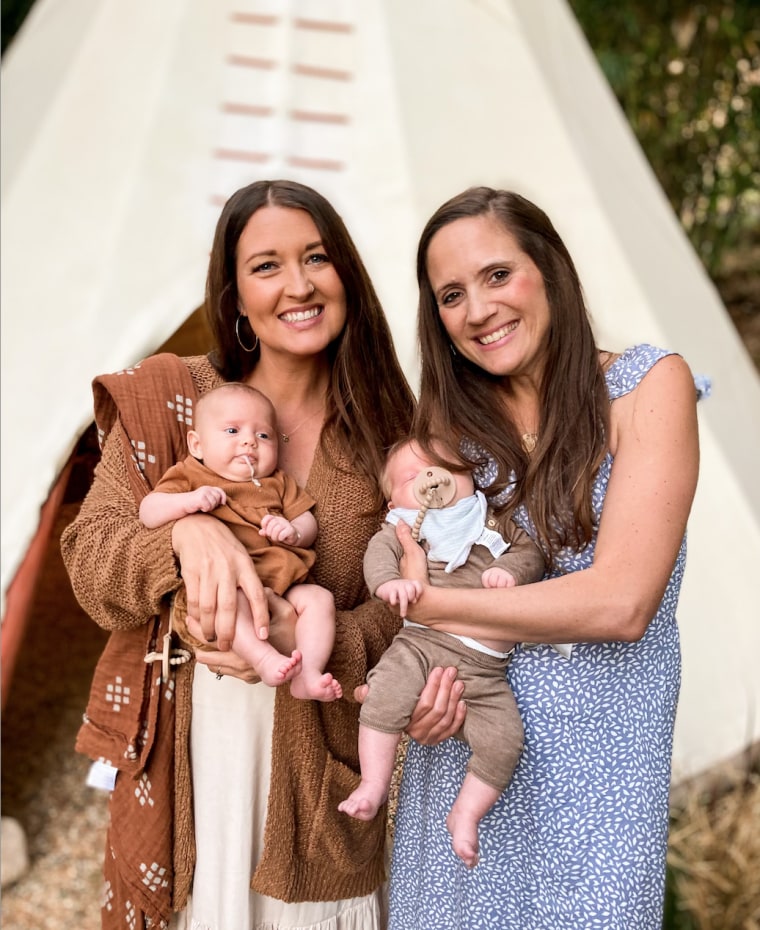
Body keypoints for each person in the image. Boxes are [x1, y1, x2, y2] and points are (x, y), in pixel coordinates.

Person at [61, 179, 421, 930]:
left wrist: (322, 643)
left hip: (315, 772)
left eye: (317, 258)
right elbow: (91, 558)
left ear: (346, 273)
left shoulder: (392, 434)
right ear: (234, 295)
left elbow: (425, 610)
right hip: (190, 758)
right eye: (267, 265)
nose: (298, 284)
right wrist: (183, 539)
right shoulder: (175, 403)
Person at [387, 187, 708, 929]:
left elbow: (621, 603)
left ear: (550, 269)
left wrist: (435, 607)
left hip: (596, 782)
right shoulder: (446, 434)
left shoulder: (645, 388)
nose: (478, 309)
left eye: (499, 275)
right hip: (469, 766)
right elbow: (404, 573)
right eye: (452, 295)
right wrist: (420, 704)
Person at [339, 438, 545, 868]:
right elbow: (379, 559)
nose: (430, 480)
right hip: (421, 646)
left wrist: (510, 569)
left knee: (505, 739)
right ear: (392, 499)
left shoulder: (490, 518)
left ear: (469, 476)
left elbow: (530, 553)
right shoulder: (400, 528)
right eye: (411, 477)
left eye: (442, 468)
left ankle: (466, 813)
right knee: (386, 693)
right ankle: (373, 783)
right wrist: (388, 585)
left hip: (487, 670)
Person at [139, 382, 342, 702]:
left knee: (319, 600)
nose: (249, 441)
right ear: (198, 444)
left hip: (282, 585)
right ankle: (262, 658)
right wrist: (189, 503)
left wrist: (293, 530)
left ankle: (309, 673)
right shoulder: (190, 475)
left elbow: (308, 521)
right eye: (232, 431)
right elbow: (148, 511)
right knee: (233, 602)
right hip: (223, 588)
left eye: (263, 436)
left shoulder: (277, 482)